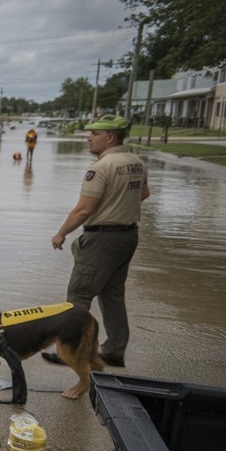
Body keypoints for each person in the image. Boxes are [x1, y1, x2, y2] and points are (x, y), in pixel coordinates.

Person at [47, 115, 149, 368]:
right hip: (128, 235)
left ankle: (72, 351)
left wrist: (61, 233)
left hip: (102, 238)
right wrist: (119, 209)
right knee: (112, 294)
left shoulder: (101, 167)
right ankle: (114, 349)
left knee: (79, 295)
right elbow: (143, 194)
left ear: (111, 137)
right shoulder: (136, 162)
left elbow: (83, 210)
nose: (88, 137)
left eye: (95, 133)